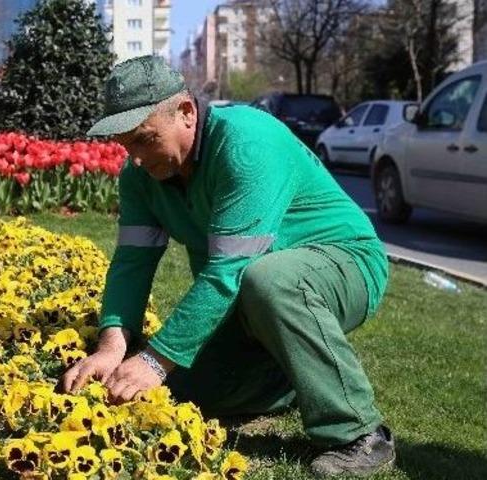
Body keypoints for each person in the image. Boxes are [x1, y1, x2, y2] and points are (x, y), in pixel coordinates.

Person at [61, 55, 395, 477]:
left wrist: (153, 360)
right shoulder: (140, 175)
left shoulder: (246, 145)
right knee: (185, 392)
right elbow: (132, 262)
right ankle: (291, 372)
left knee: (268, 280)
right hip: (246, 290)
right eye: (127, 145)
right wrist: (113, 347)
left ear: (186, 112)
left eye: (145, 139)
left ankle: (358, 433)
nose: (137, 159)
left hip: (342, 263)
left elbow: (229, 271)